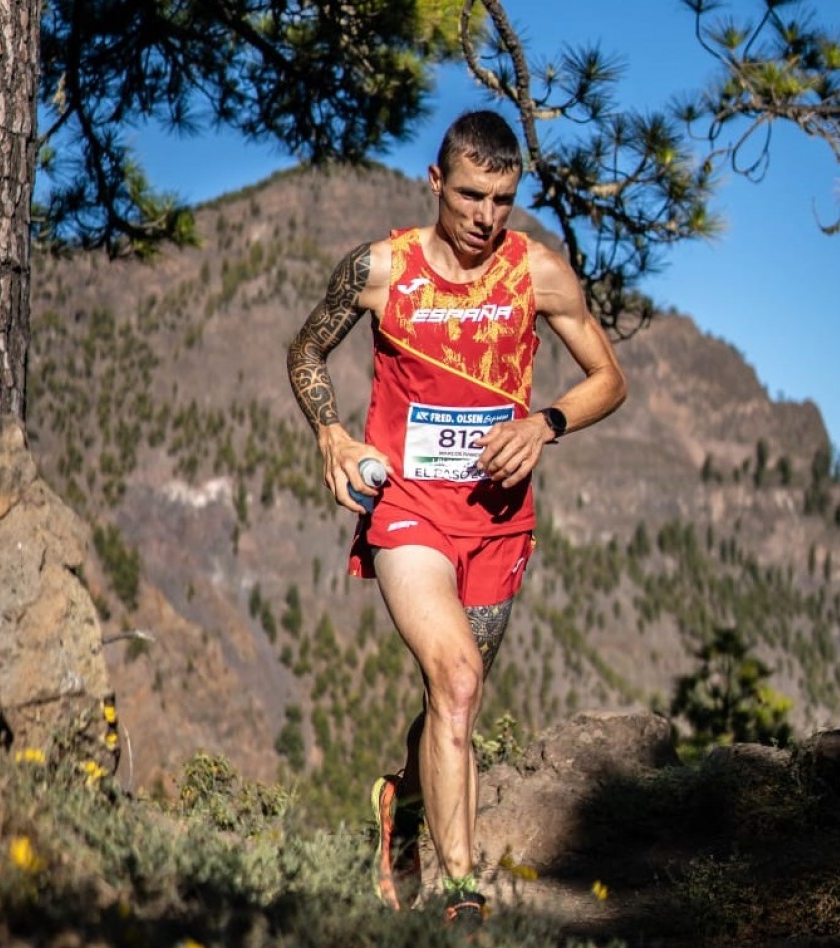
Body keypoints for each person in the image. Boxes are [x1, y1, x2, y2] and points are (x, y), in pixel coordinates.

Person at [286, 109, 627, 928]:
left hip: (500, 522)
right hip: (406, 509)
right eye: (471, 195)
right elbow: (304, 351)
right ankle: (458, 891)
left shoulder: (537, 273)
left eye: (503, 200)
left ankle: (399, 806)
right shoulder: (380, 269)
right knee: (459, 680)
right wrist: (332, 435)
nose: (485, 217)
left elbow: (609, 378)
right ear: (436, 182)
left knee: (455, 701)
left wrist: (544, 424)